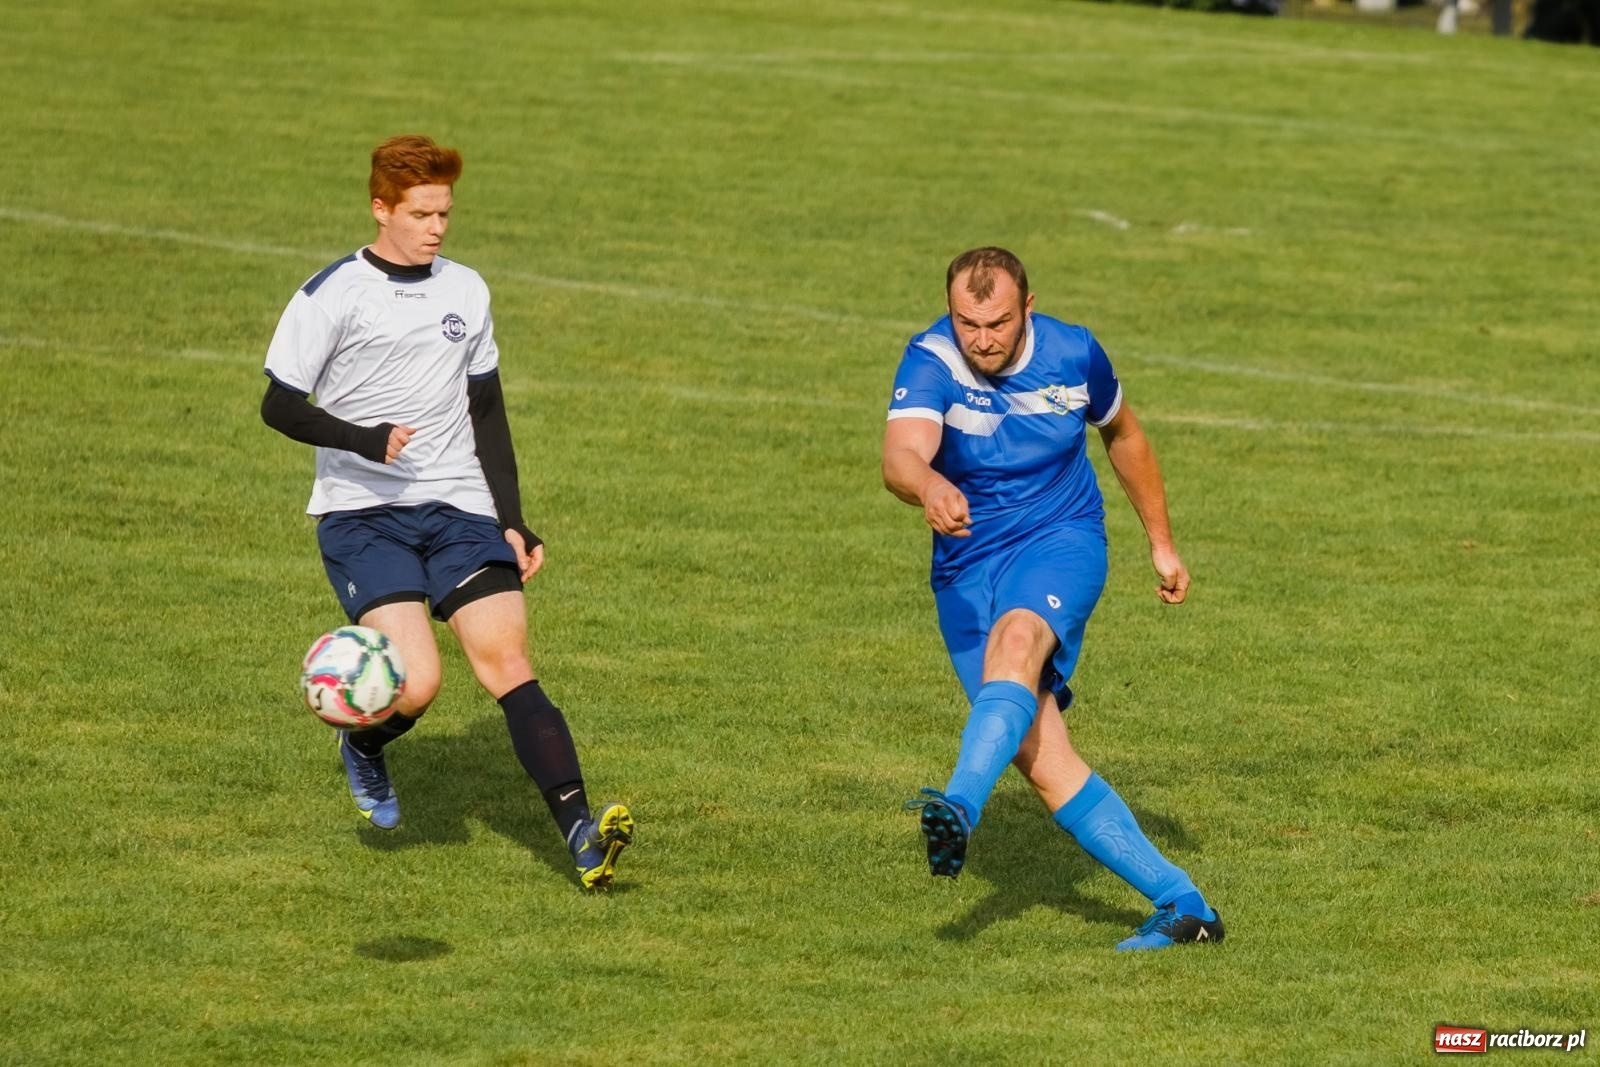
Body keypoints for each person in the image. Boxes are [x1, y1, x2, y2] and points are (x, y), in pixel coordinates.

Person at [261, 134, 631, 890]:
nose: (436, 228)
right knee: (418, 682)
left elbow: (486, 409)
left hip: (460, 505)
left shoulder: (466, 289)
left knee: (508, 662)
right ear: (381, 208)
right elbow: (279, 404)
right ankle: (365, 744)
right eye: (421, 214)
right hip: (365, 513)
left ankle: (582, 835)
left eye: (444, 214)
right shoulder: (333, 293)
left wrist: (512, 517)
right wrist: (362, 438)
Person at [882, 247, 1222, 951]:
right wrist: (930, 484)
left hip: (1060, 539)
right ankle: (1185, 906)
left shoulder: (1074, 353)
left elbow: (1123, 433)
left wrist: (1161, 542)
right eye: (967, 322)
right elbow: (901, 456)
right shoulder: (931, 358)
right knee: (1038, 755)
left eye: (998, 323)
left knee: (1017, 640)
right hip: (966, 564)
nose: (982, 339)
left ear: (1028, 309)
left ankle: (958, 806)